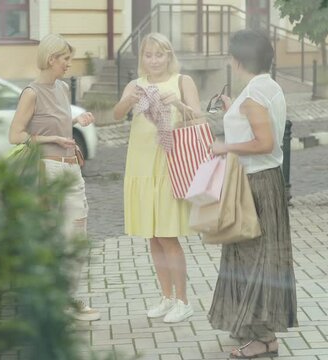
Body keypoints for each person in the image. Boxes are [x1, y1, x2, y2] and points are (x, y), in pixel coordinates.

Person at [207, 29, 298, 358]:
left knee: (252, 258)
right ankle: (250, 326)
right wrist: (233, 109)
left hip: (255, 183)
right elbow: (258, 127)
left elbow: (265, 143)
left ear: (238, 59)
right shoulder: (266, 87)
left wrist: (224, 146)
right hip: (263, 181)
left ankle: (263, 339)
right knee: (251, 255)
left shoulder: (254, 95)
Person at [8, 33, 100, 322]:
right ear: (51, 59)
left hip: (73, 169)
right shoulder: (31, 93)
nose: (69, 64)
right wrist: (54, 138)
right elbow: (16, 135)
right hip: (48, 172)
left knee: (75, 236)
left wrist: (75, 121)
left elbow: (56, 121)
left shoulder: (61, 88)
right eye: (66, 59)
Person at [113, 33, 202, 323]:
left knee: (167, 233)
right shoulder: (135, 84)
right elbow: (116, 115)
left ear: (169, 55)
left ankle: (183, 301)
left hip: (169, 165)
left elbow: (198, 119)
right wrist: (127, 99)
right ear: (143, 58)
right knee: (152, 235)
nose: (153, 60)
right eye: (148, 55)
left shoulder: (181, 81)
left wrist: (176, 103)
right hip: (140, 165)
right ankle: (166, 296)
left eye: (159, 55)